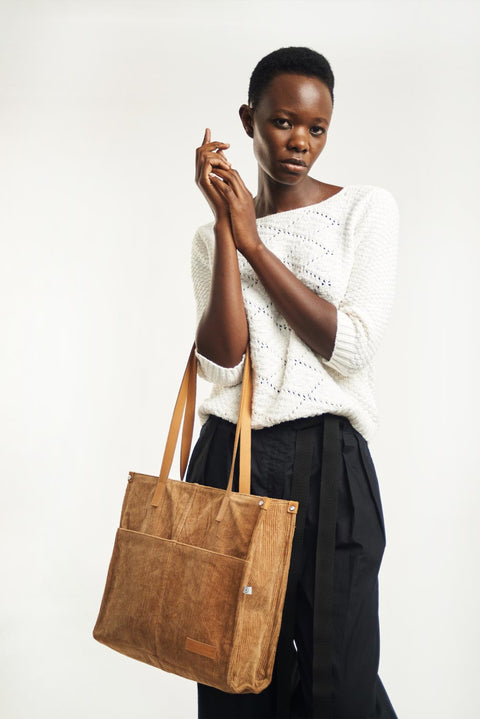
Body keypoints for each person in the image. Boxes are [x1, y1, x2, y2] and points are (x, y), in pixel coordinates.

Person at [185, 46, 399, 719]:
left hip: (331, 464)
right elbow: (221, 363)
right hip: (233, 457)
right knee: (235, 680)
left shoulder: (365, 210)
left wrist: (255, 245)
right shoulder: (209, 236)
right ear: (249, 119)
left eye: (316, 128)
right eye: (282, 122)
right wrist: (227, 230)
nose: (299, 142)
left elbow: (352, 345)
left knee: (341, 686)